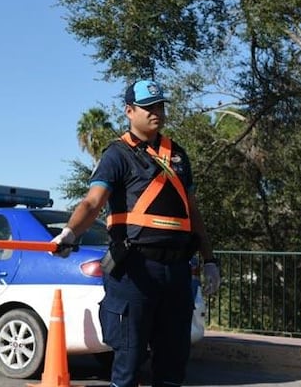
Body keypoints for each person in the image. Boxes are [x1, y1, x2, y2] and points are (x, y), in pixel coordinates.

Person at [51, 80, 221, 387]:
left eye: (160, 106)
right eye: (149, 107)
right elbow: (92, 201)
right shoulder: (117, 155)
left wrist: (209, 259)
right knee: (128, 363)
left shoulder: (178, 155)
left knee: (173, 365)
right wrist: (70, 232)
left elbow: (192, 212)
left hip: (177, 271)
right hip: (134, 271)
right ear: (130, 111)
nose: (157, 112)